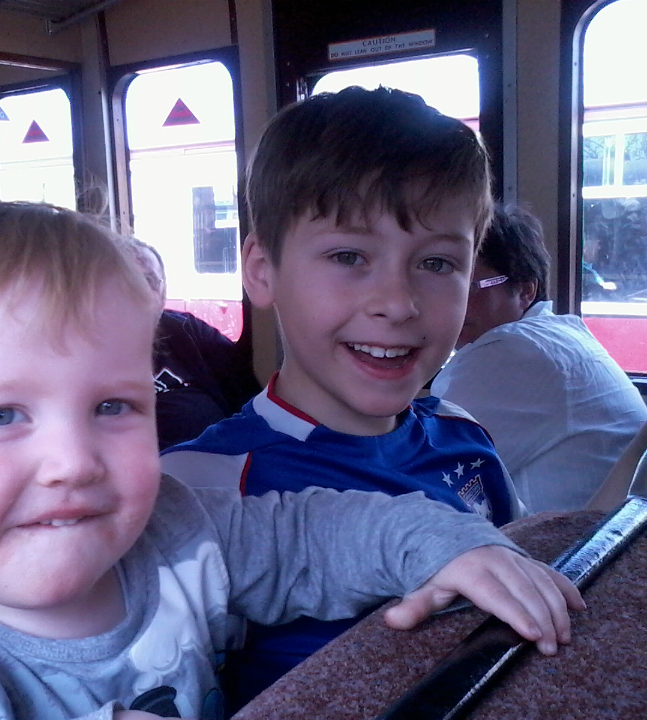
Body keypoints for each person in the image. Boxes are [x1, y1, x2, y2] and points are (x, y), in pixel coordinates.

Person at [0, 201, 583, 720]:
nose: (71, 459)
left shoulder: (172, 533)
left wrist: (450, 543)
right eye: (0, 414)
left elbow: (315, 532)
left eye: (112, 407)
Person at [160, 86, 524, 707]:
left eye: (436, 264)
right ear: (262, 270)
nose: (398, 302)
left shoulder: (465, 434)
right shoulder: (200, 487)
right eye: (349, 255)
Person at [431, 204, 647, 513]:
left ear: (525, 291)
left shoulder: (511, 351)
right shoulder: (557, 337)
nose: (452, 302)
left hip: (558, 554)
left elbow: (427, 477)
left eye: (471, 286)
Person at [130, 239, 261, 450]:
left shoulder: (187, 332)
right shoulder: (86, 351)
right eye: (127, 281)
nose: (140, 293)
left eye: (149, 280)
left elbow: (248, 398)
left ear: (163, 292)